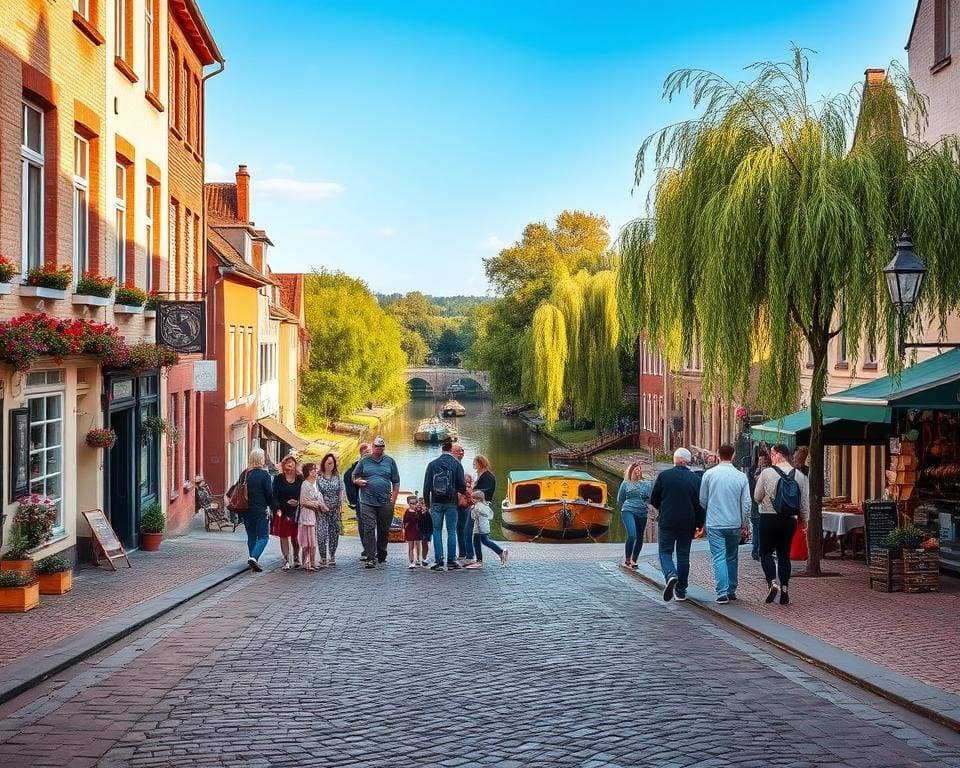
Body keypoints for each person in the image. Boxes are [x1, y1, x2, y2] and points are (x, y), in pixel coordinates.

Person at [754, 443, 810, 605]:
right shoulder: (800, 476)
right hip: (789, 520)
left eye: (772, 455)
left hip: (769, 518)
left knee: (765, 552)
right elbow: (804, 504)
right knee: (784, 554)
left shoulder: (767, 473)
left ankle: (772, 582)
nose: (771, 458)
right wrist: (804, 522)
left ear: (779, 455)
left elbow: (757, 496)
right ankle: (785, 587)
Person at [650, 447, 704, 602]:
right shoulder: (695, 479)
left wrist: (663, 508)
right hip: (687, 522)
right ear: (688, 461)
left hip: (667, 520)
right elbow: (699, 505)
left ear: (675, 460)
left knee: (665, 552)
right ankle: (681, 591)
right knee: (683, 555)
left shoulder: (664, 476)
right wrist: (699, 524)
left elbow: (654, 499)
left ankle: (670, 575)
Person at [699, 444, 751, 604]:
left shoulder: (709, 475)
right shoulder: (741, 476)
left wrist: (710, 510)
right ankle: (731, 589)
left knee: (719, 557)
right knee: (732, 556)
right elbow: (746, 503)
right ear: (733, 456)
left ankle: (722, 592)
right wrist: (744, 523)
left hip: (715, 523)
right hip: (734, 523)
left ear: (717, 455)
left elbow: (702, 499)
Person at [352, 436, 400, 568]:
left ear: (384, 448)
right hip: (367, 501)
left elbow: (396, 481)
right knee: (369, 528)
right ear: (372, 447)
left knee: (384, 530)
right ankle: (370, 557)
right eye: (377, 446)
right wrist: (357, 481)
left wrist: (394, 499)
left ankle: (382, 552)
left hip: (385, 502)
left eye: (381, 446)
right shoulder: (364, 460)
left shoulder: (390, 461)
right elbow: (354, 476)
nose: (379, 449)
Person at [227, 448, 274, 572]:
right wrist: (271, 507)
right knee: (263, 537)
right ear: (262, 459)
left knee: (251, 536)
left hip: (245, 509)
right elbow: (269, 493)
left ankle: (252, 559)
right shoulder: (265, 475)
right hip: (260, 510)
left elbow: (236, 488)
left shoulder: (245, 473)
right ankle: (253, 557)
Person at [423, 437, 466, 571]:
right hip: (451, 502)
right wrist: (464, 495)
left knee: (437, 531)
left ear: (442, 449)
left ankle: (439, 561)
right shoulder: (456, 464)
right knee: (452, 530)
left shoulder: (432, 464)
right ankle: (452, 560)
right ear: (450, 449)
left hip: (436, 502)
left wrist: (427, 504)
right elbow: (461, 485)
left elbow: (426, 486)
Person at [617, 462, 652, 569]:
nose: (638, 472)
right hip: (628, 510)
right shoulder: (626, 483)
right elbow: (620, 499)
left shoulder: (646, 484)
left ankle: (634, 560)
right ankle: (627, 558)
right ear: (631, 471)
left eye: (639, 469)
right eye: (636, 470)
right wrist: (624, 509)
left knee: (640, 537)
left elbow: (649, 498)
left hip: (642, 512)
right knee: (632, 535)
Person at [271, 455, 302, 571]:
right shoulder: (278, 478)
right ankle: (286, 560)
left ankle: (296, 557)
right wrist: (277, 508)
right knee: (284, 536)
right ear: (283, 465)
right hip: (282, 511)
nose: (290, 464)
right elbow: (274, 495)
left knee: (296, 537)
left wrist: (298, 502)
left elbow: (304, 494)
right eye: (287, 462)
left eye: (292, 462)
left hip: (296, 512)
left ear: (295, 465)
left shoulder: (300, 478)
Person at [465, 490, 508, 569]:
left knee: (477, 543)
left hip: (479, 529)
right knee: (484, 541)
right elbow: (490, 516)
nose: (472, 500)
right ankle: (499, 552)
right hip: (484, 527)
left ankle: (480, 560)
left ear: (478, 499)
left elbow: (473, 517)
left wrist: (472, 509)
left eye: (473, 498)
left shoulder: (477, 507)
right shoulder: (485, 506)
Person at [316, 453, 344, 567]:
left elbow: (341, 490)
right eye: (328, 463)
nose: (330, 465)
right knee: (321, 533)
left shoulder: (337, 476)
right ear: (324, 464)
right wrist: (322, 505)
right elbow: (317, 492)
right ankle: (323, 557)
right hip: (322, 509)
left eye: (332, 463)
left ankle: (332, 555)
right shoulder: (319, 477)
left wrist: (340, 505)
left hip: (335, 509)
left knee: (334, 533)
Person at [344, 443, 370, 560]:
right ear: (361, 454)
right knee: (363, 525)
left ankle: (374, 548)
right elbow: (347, 477)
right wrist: (353, 500)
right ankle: (367, 548)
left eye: (369, 452)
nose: (367, 455)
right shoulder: (355, 467)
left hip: (376, 500)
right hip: (361, 500)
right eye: (365, 453)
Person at [452, 443, 475, 563]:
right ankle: (465, 552)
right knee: (461, 528)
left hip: (461, 503)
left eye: (463, 451)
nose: (462, 452)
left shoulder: (456, 465)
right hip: (460, 502)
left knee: (461, 528)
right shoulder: (456, 465)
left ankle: (465, 553)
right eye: (459, 451)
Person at [298, 462, 323, 571]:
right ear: (308, 472)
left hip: (313, 514)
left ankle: (312, 562)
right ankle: (306, 562)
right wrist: (314, 504)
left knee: (312, 540)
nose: (315, 471)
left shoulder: (314, 484)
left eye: (315, 469)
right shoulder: (305, 484)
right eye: (313, 470)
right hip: (307, 514)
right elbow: (302, 501)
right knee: (308, 540)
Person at [748, 448, 771, 561]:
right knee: (757, 528)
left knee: (765, 529)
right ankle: (756, 551)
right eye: (760, 459)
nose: (762, 461)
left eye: (764, 459)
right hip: (756, 504)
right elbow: (752, 486)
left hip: (766, 505)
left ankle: (763, 550)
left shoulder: (769, 471)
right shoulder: (753, 471)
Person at [403, 495, 423, 569]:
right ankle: (411, 562)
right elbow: (404, 522)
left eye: (415, 503)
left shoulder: (419, 511)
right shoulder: (407, 512)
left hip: (417, 530)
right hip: (410, 530)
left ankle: (418, 558)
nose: (414, 505)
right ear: (408, 503)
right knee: (410, 546)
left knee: (418, 546)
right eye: (412, 503)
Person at [417, 496, 433, 568]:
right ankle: (417, 558)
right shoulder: (417, 512)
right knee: (416, 544)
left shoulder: (429, 512)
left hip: (426, 530)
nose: (421, 505)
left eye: (423, 503)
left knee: (425, 544)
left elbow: (431, 522)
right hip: (418, 529)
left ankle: (424, 559)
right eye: (420, 503)